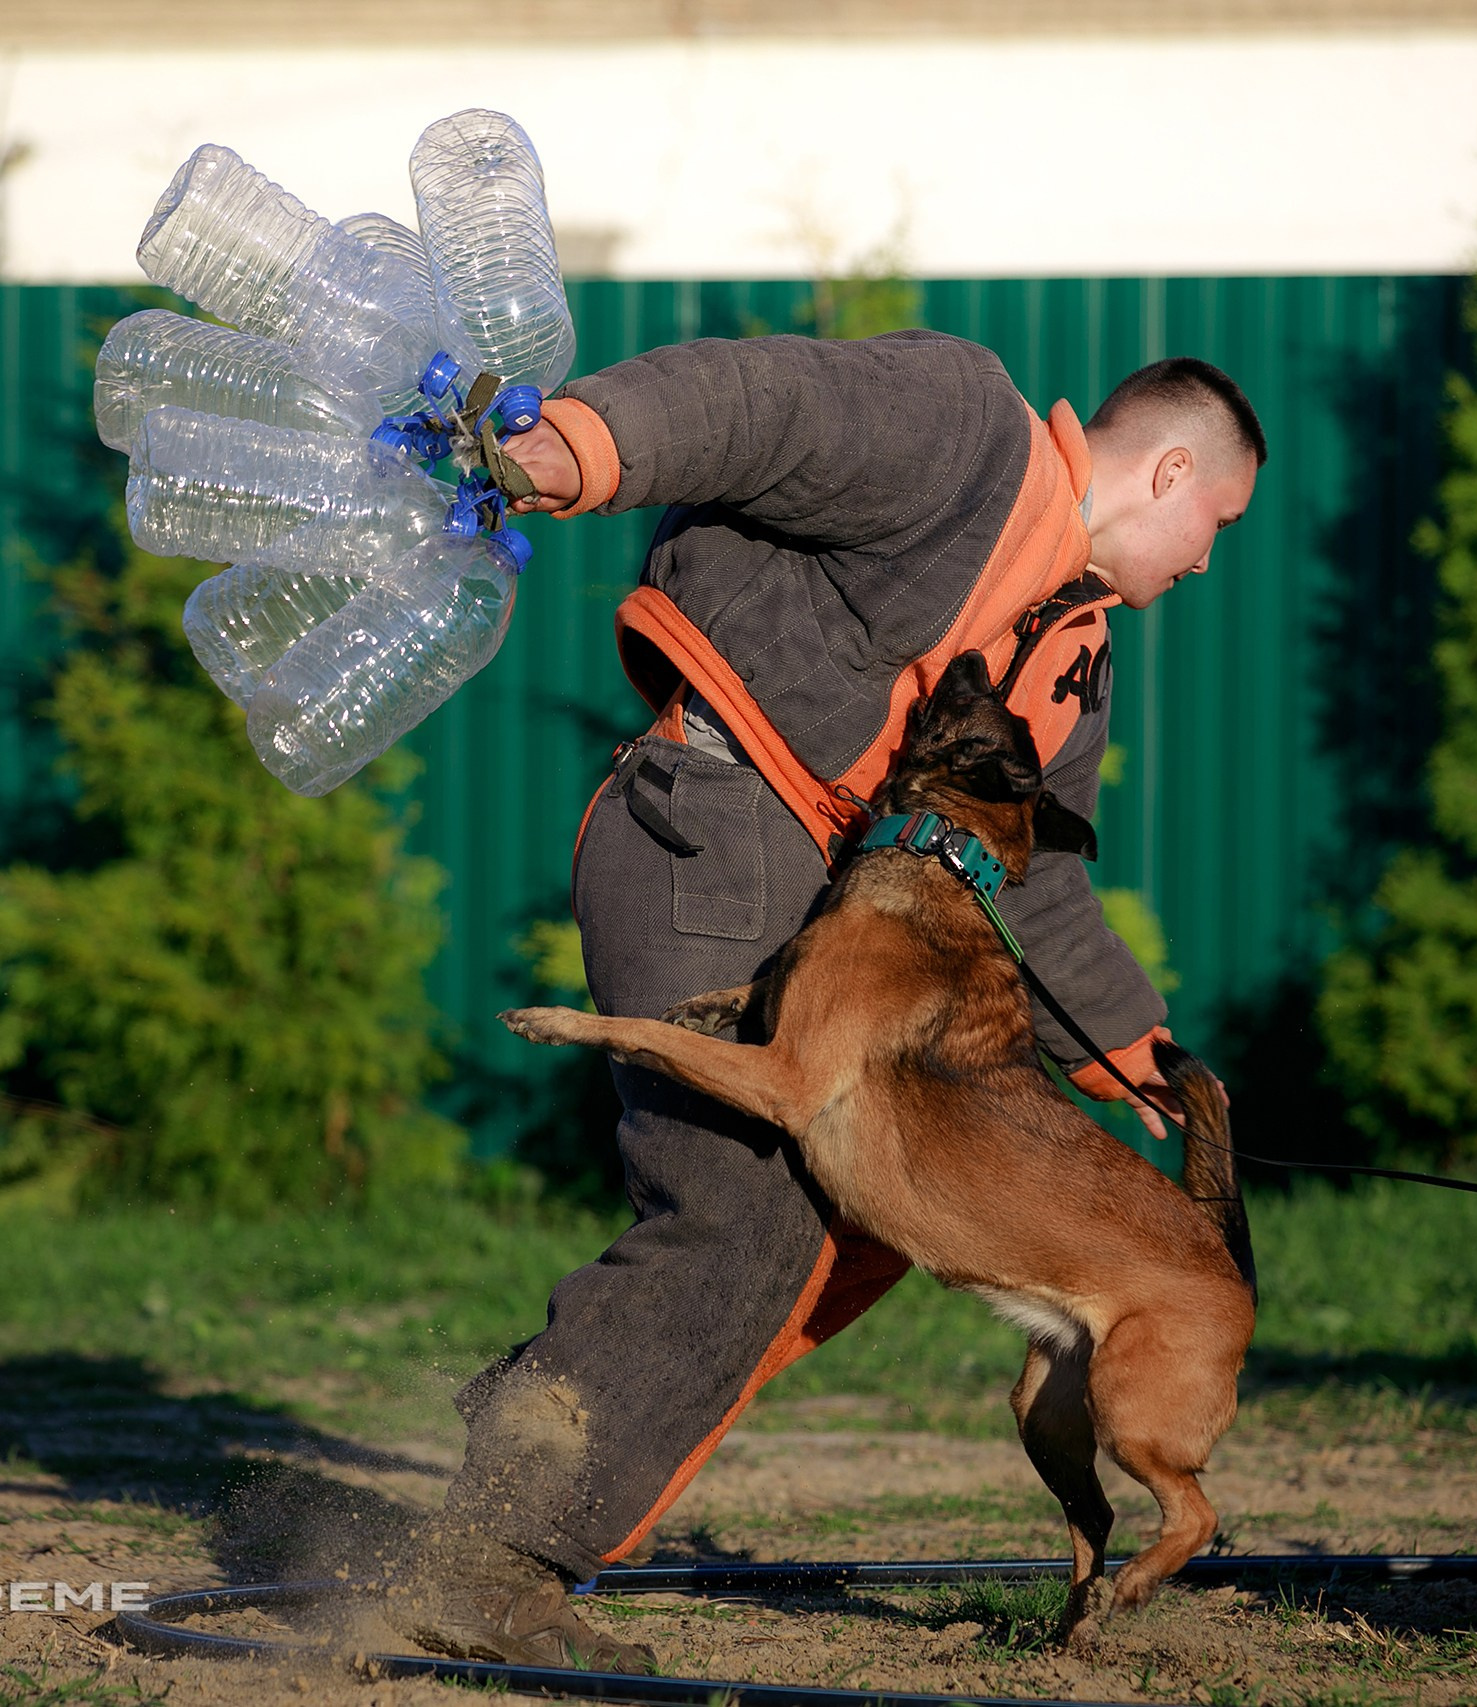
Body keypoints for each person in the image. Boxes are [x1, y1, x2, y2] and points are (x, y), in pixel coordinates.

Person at [378, 332, 1265, 1669]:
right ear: (1172, 469)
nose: (1208, 558)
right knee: (747, 1207)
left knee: (855, 1223)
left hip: (832, 892)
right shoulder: (967, 430)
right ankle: (500, 1550)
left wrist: (1138, 1051)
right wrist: (588, 442)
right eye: (1219, 522)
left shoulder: (1070, 663)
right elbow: (763, 405)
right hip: (717, 811)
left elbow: (1027, 889)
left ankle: (538, 1428)